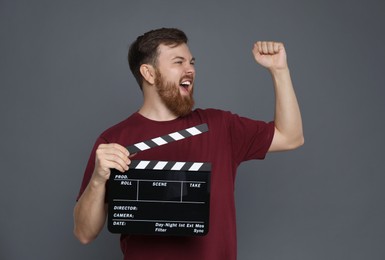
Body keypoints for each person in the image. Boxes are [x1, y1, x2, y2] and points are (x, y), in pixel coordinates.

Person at [73, 27, 304, 259]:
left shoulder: (220, 127)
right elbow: (84, 234)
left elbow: (290, 136)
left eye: (192, 62)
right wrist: (98, 180)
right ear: (149, 73)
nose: (190, 69)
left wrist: (279, 70)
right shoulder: (114, 140)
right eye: (178, 62)